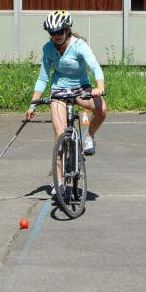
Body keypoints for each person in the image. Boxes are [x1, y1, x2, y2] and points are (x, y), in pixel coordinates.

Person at [25, 10, 107, 194]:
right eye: (52, 33)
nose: (56, 36)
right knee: (60, 136)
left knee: (102, 109)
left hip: (81, 88)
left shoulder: (79, 45)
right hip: (59, 91)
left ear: (67, 30)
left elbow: (95, 66)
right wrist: (33, 104)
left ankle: (89, 137)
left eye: (60, 32)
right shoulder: (48, 49)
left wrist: (99, 87)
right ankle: (59, 180)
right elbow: (43, 78)